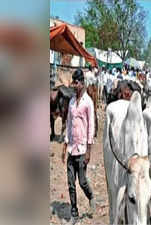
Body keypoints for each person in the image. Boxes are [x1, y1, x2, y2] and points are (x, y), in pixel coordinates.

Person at [62, 69, 96, 225]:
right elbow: (69, 124)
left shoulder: (88, 102)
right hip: (72, 148)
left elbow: (91, 127)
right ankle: (74, 214)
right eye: (73, 83)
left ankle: (91, 197)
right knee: (70, 183)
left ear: (82, 83)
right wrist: (65, 144)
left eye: (76, 83)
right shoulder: (71, 102)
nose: (74, 85)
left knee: (82, 182)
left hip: (82, 149)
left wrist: (89, 150)